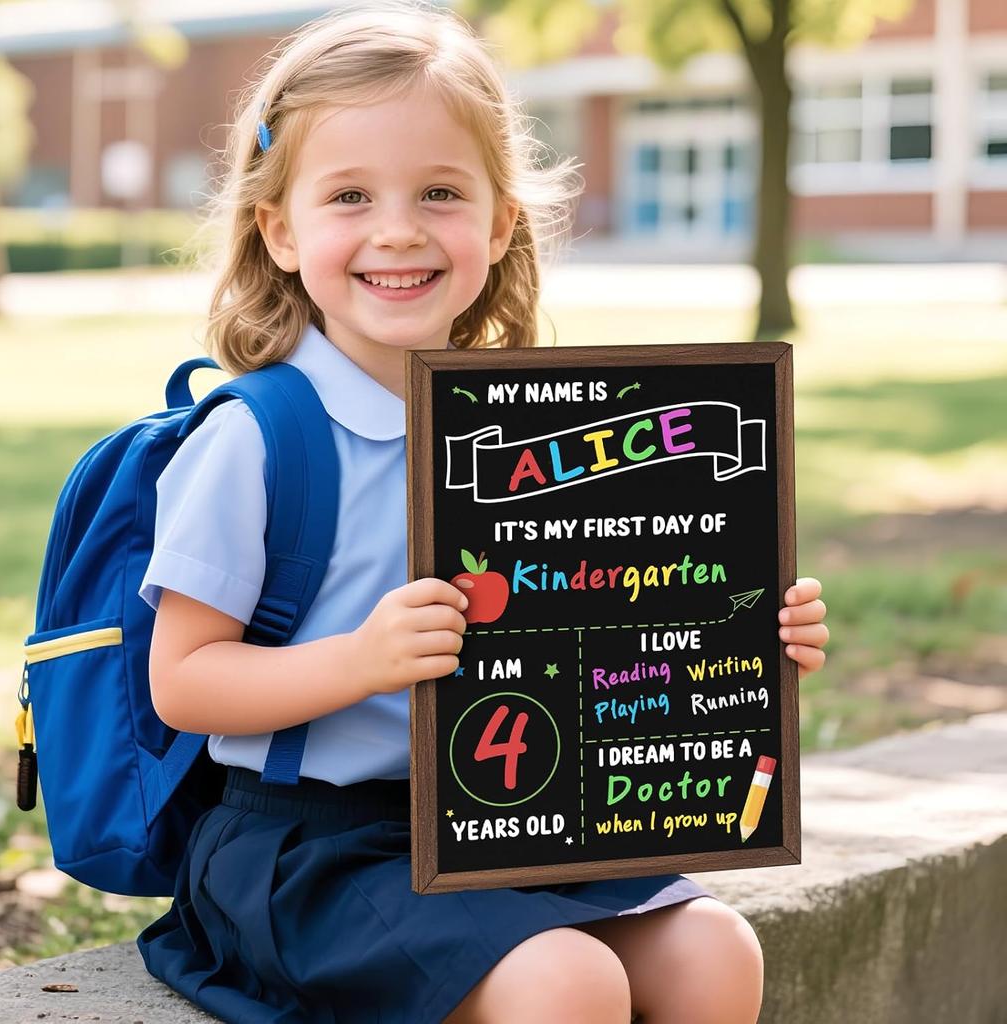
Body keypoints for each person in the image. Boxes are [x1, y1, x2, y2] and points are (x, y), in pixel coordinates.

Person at [135, 3, 830, 1022]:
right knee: (567, 981)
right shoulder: (259, 437)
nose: (400, 228)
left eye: (441, 192)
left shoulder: (539, 432)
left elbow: (612, 635)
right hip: (310, 841)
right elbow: (182, 683)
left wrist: (739, 642)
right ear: (279, 231)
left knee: (713, 952)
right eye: (349, 196)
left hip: (512, 820)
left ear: (501, 221)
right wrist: (359, 661)